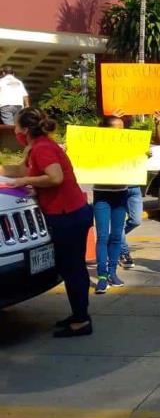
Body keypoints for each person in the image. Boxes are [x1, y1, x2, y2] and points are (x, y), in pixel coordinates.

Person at [0, 108, 93, 337]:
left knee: (73, 269)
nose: (15, 130)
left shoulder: (42, 148)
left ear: (25, 129)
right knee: (72, 267)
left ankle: (81, 320)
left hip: (67, 215)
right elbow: (21, 169)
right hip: (69, 213)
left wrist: (24, 180)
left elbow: (55, 177)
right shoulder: (37, 147)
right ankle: (79, 315)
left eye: (17, 126)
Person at [119, 110, 160, 270]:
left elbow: (159, 142)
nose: (128, 117)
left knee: (136, 220)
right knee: (118, 223)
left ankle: (115, 239)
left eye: (129, 114)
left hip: (134, 185)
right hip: (115, 186)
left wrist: (158, 124)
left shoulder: (136, 136)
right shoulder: (107, 133)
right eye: (124, 114)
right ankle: (123, 252)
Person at [93, 116, 130, 294]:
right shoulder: (95, 145)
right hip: (102, 195)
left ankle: (113, 273)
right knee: (102, 237)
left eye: (123, 128)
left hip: (121, 194)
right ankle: (101, 276)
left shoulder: (128, 145)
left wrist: (144, 154)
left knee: (116, 236)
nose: (121, 132)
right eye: (117, 128)